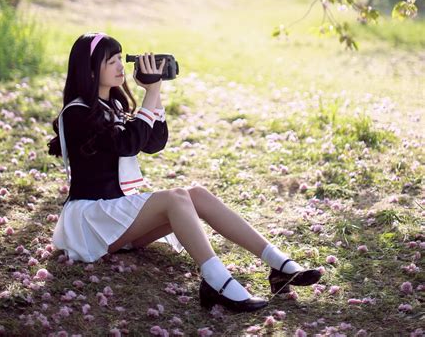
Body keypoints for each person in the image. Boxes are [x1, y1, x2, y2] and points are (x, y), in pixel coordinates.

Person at [48, 32, 322, 313]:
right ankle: (216, 282)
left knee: (196, 195)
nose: (121, 67)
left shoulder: (113, 106)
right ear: (91, 68)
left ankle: (279, 265)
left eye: (121, 59)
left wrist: (154, 95)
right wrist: (151, 93)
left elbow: (154, 142)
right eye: (112, 61)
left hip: (117, 220)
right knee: (176, 197)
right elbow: (128, 145)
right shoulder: (76, 113)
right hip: (92, 222)